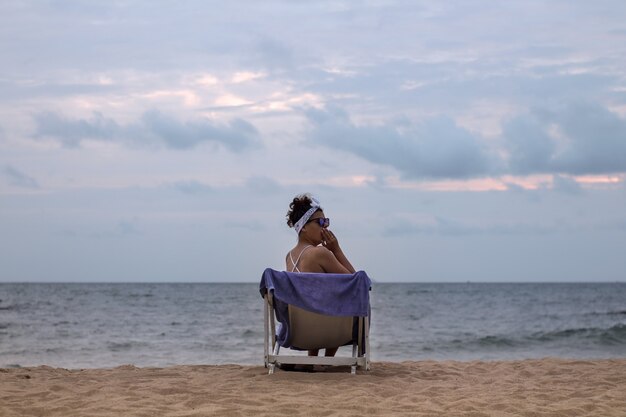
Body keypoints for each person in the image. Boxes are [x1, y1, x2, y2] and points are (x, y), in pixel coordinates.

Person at [285, 193, 356, 358]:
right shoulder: (320, 253)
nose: (326, 227)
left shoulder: (289, 257)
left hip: (299, 332)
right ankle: (327, 359)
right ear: (303, 227)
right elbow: (355, 283)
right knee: (344, 300)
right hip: (328, 330)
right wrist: (336, 249)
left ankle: (312, 359)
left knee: (315, 302)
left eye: (327, 222)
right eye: (321, 222)